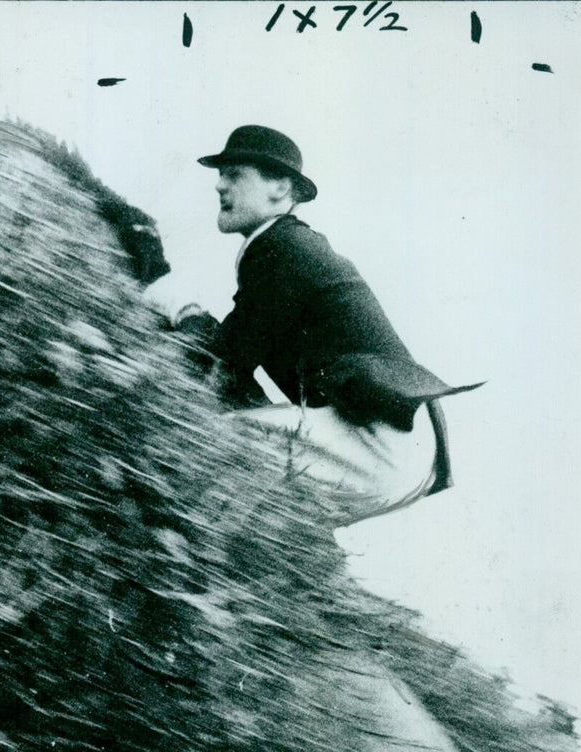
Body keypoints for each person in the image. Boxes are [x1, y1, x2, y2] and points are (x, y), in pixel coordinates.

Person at [183, 125, 481, 525]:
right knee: (248, 506)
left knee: (203, 442)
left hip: (381, 444)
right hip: (405, 456)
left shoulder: (282, 248)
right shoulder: (289, 245)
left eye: (234, 174)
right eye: (220, 175)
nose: (219, 186)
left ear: (280, 188)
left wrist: (174, 301)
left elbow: (222, 361)